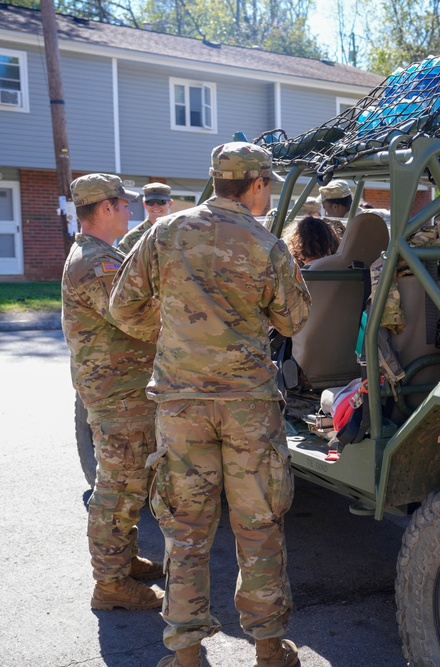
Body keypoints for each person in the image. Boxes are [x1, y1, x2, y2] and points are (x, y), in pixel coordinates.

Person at [110, 143, 311, 667]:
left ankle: (185, 654)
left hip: (181, 405)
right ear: (259, 183)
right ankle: (269, 648)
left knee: (185, 531)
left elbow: (122, 305)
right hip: (248, 406)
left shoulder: (164, 232)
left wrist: (173, 338)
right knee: (259, 525)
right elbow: (293, 320)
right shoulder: (267, 244)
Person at [61, 174, 165, 612]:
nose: (129, 210)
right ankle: (110, 584)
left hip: (124, 390)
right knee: (118, 489)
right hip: (117, 394)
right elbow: (136, 320)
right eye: (124, 205)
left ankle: (122, 561)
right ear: (105, 208)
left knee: (130, 481)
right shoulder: (95, 262)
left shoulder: (104, 255)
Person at [118, 182, 173, 254]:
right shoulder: (132, 238)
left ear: (170, 203)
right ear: (144, 204)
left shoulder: (180, 232)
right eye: (150, 202)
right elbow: (121, 263)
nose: (155, 206)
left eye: (161, 202)